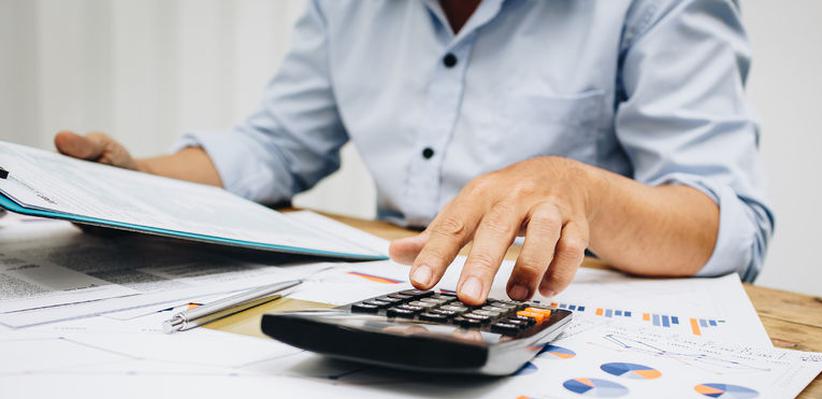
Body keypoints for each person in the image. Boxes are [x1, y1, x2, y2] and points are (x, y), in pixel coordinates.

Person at [54, 0, 772, 306]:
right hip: (397, 292)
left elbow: (732, 223)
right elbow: (276, 145)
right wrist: (136, 181)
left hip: (576, 315)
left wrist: (574, 188)